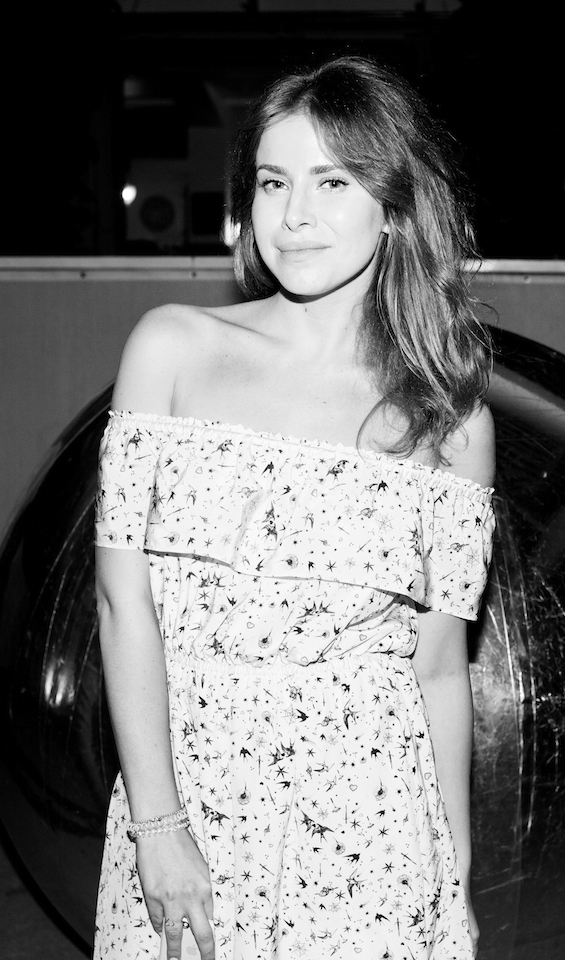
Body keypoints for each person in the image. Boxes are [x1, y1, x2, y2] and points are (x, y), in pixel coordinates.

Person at [93, 56, 495, 960]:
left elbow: (438, 669)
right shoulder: (172, 349)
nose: (294, 214)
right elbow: (123, 604)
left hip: (375, 827)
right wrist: (158, 824)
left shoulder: (450, 418)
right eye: (273, 182)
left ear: (394, 206)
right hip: (192, 799)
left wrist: (455, 872)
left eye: (333, 181)